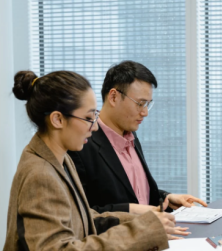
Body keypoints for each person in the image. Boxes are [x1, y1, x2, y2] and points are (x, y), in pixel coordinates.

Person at [0, 70, 188, 251]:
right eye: (88, 118)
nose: (95, 126)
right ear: (58, 119)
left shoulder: (60, 158)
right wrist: (141, 233)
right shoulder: (40, 173)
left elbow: (84, 220)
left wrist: (142, 224)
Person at [68, 61, 207, 215]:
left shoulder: (131, 135)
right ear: (113, 97)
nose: (145, 112)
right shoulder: (81, 144)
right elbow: (82, 215)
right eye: (140, 104)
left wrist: (167, 198)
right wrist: (131, 211)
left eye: (148, 104)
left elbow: (137, 195)